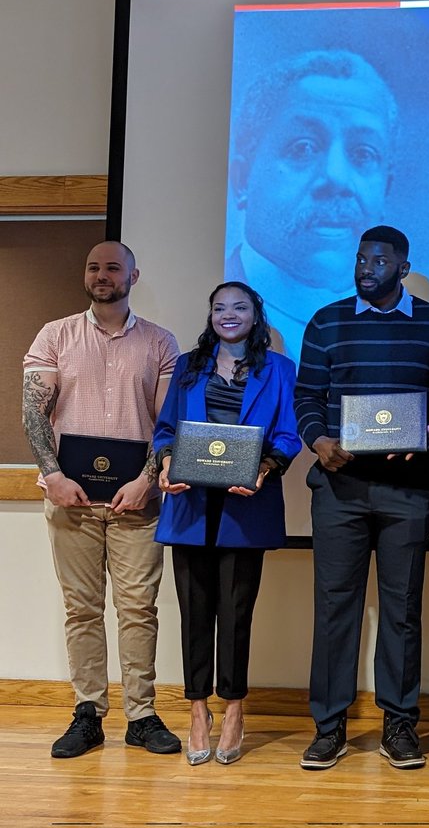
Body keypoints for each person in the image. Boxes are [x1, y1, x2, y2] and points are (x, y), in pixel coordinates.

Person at [294, 225, 429, 770]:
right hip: (339, 489)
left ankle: (399, 725)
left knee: (401, 612)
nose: (366, 268)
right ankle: (329, 727)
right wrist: (319, 441)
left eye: (378, 260)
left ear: (403, 266)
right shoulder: (326, 321)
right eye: (361, 259)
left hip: (408, 491)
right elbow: (306, 395)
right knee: (334, 610)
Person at [21, 241, 183, 758]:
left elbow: (168, 424)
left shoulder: (160, 342)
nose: (101, 274)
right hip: (71, 501)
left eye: (113, 267)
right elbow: (33, 413)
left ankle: (141, 715)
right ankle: (87, 713)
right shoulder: (54, 335)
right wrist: (52, 473)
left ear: (134, 275)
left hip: (138, 501)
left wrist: (145, 479)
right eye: (93, 266)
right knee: (82, 610)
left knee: (139, 609)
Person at [154, 281, 303, 765]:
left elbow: (288, 432)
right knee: (195, 613)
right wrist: (166, 463)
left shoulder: (279, 369)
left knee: (237, 615)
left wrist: (264, 469)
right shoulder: (188, 366)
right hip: (190, 506)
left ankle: (235, 708)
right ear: (210, 315)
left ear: (256, 315)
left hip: (247, 506)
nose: (228, 314)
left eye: (239, 307)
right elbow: (166, 431)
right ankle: (198, 711)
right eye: (219, 307)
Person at [227, 49, 398, 357]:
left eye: (363, 153)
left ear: (385, 188)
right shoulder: (199, 318)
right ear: (242, 179)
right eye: (303, 148)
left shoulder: (414, 336)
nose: (336, 177)